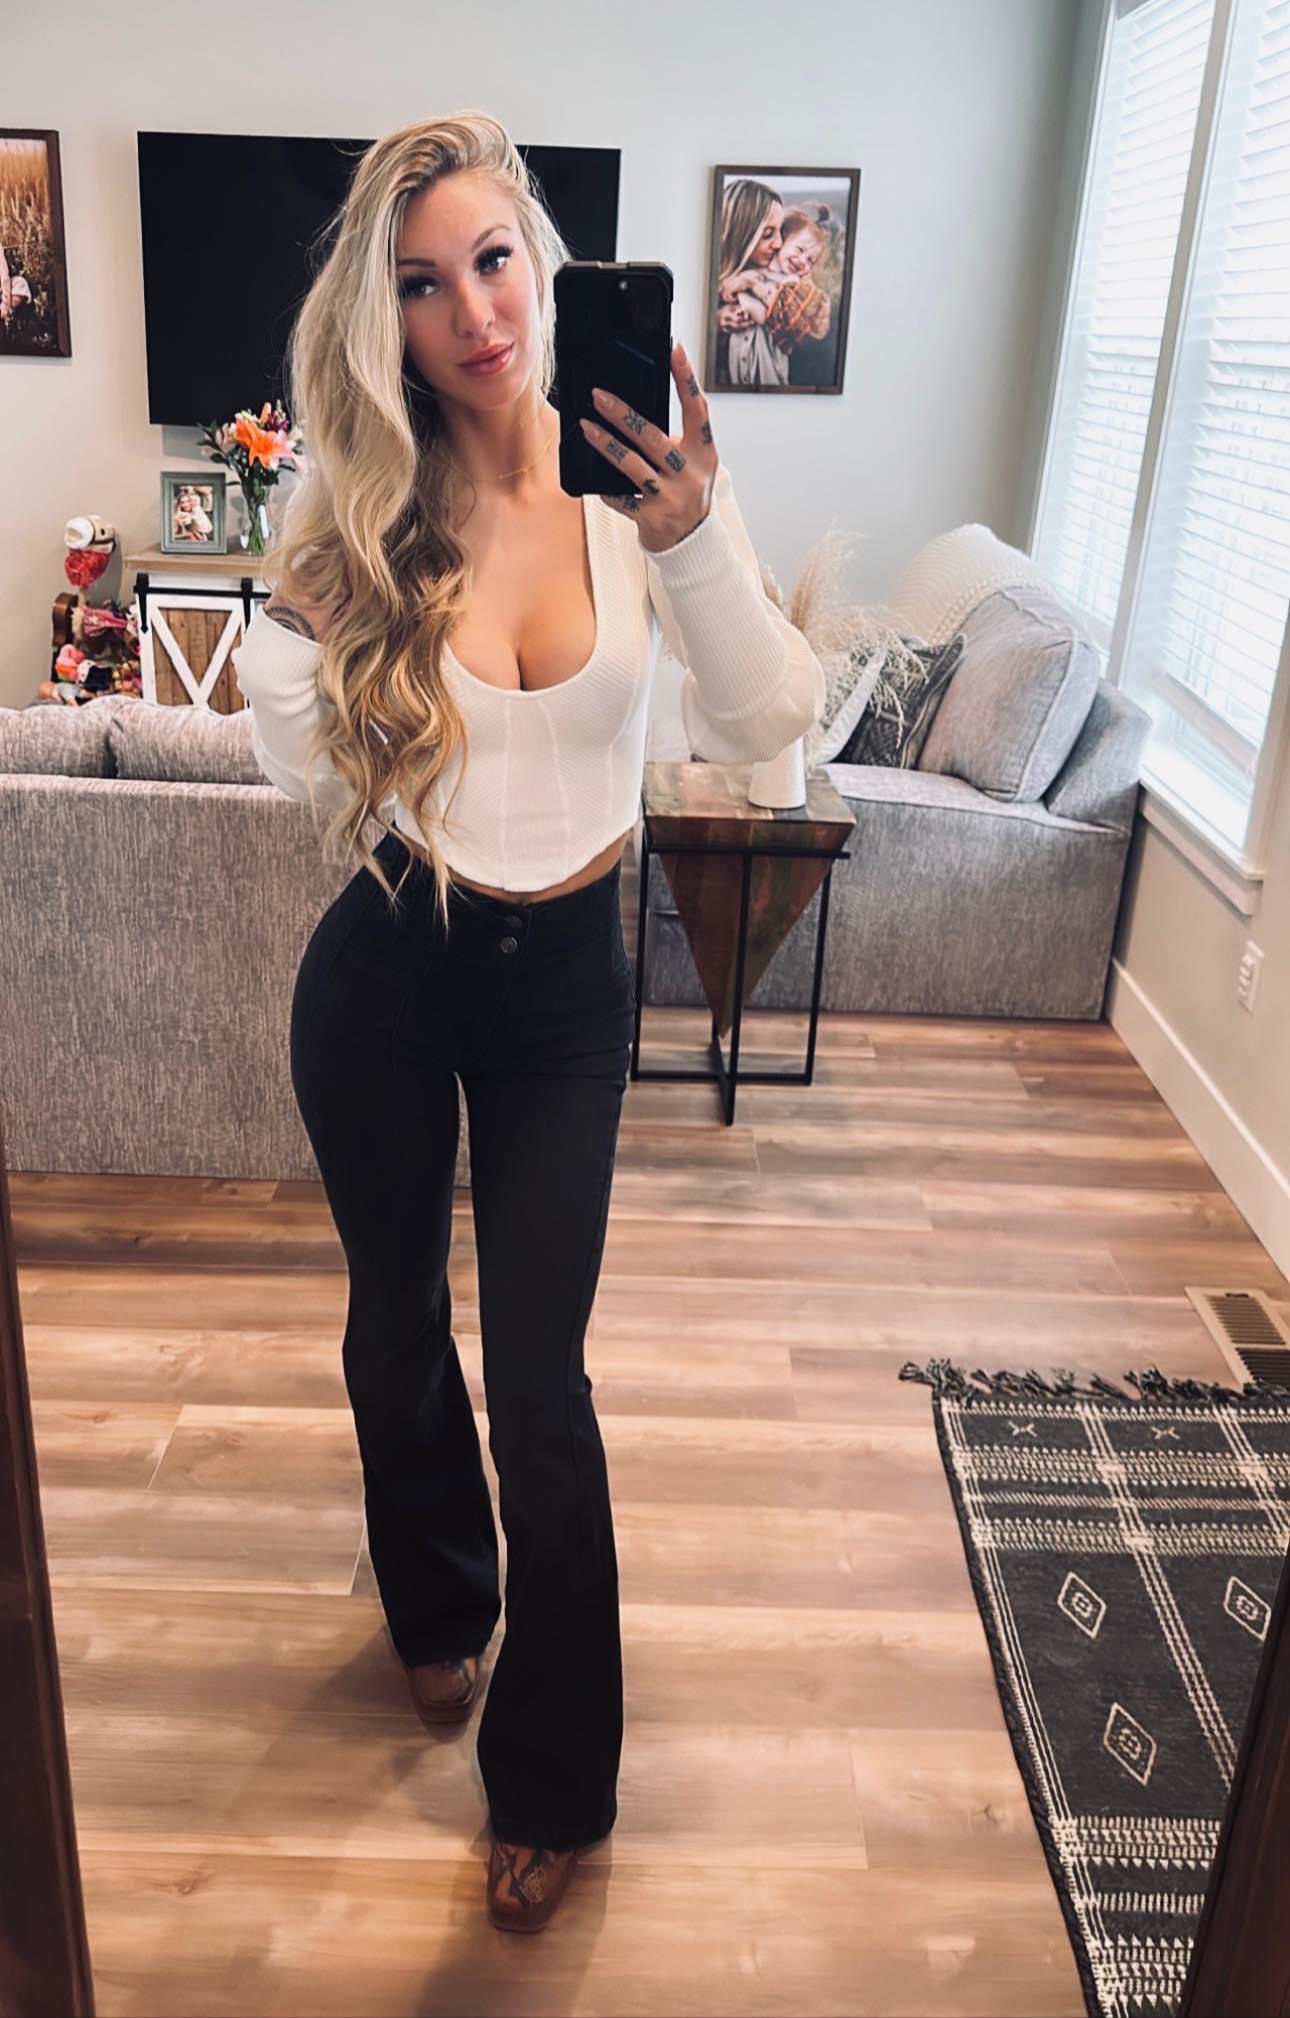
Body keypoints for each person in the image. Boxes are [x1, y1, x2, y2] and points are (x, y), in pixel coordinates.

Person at [230, 109, 825, 1934]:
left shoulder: (637, 484)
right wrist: (295, 633)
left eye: (494, 261)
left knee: (542, 1382)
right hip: (391, 968)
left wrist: (698, 539)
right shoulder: (367, 501)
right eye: (422, 284)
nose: (473, 313)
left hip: (568, 986)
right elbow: (286, 763)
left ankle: (556, 1773)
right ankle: (435, 1592)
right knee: (394, 1319)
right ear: (386, 320)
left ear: (545, 267)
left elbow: (770, 731)